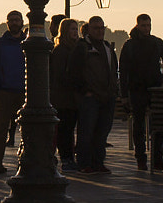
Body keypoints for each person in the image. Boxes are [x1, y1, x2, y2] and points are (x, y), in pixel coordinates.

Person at [119, 14, 163, 171]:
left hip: (155, 88)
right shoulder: (129, 45)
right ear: (137, 25)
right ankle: (141, 159)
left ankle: (157, 158)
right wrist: (124, 95)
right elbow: (123, 71)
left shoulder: (156, 42)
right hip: (137, 89)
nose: (146, 28)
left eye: (148, 25)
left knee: (158, 124)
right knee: (139, 126)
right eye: (143, 25)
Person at [74, 16, 118, 173]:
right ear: (89, 29)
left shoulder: (107, 48)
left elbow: (113, 70)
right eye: (96, 28)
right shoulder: (83, 47)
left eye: (102, 28)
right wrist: (86, 91)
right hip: (90, 97)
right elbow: (75, 72)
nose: (100, 31)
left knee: (102, 131)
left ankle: (98, 161)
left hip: (107, 96)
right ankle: (84, 163)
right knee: (87, 131)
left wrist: (113, 91)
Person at [0, 11, 27, 174]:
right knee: (1, 128)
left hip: (24, 91)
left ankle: (24, 161)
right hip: (5, 91)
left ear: (22, 22)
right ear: (7, 23)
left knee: (27, 129)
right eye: (12, 20)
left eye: (17, 20)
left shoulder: (28, 43)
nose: (15, 22)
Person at [49, 18, 82, 171]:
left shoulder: (78, 48)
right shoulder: (60, 51)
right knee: (65, 130)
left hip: (75, 97)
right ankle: (66, 158)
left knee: (71, 129)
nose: (75, 32)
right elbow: (60, 75)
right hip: (64, 97)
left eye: (77, 29)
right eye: (72, 29)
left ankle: (72, 157)